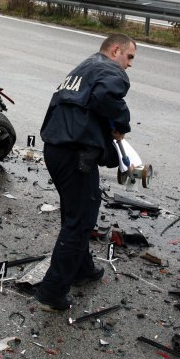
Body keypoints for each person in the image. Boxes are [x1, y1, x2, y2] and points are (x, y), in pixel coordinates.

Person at [34, 34, 137, 312]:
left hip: (55, 149)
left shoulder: (84, 68)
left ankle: (82, 269)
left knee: (74, 214)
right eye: (129, 57)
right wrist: (121, 124)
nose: (129, 65)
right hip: (75, 154)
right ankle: (52, 293)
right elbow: (107, 97)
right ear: (116, 50)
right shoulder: (110, 70)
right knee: (79, 222)